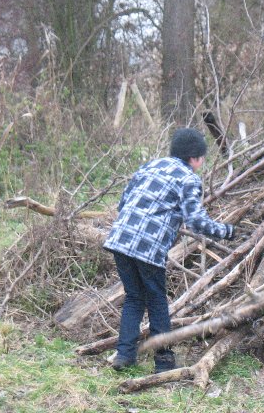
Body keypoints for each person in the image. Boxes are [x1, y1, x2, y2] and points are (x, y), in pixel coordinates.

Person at [103, 127, 236, 374]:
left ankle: (124, 355)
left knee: (134, 297)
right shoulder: (188, 179)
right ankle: (164, 362)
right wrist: (227, 231)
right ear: (195, 158)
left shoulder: (150, 167)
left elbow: (123, 202)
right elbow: (196, 221)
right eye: (202, 157)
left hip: (120, 239)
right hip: (148, 246)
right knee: (156, 300)